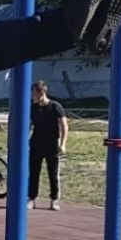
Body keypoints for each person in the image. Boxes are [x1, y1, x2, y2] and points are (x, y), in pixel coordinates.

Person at [28, 80, 69, 211]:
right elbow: (29, 125)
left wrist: (63, 144)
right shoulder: (33, 107)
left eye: (34, 94)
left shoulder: (55, 106)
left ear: (41, 93)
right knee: (34, 172)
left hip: (52, 145)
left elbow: (64, 126)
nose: (32, 97)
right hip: (36, 143)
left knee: (53, 173)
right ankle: (32, 198)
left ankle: (54, 199)